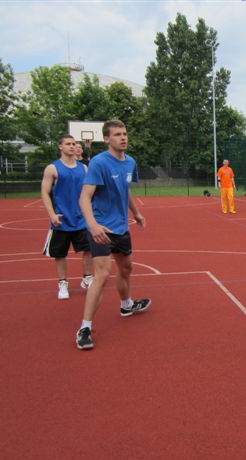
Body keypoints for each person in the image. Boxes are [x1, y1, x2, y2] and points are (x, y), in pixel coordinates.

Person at [76, 120, 151, 350]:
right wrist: (93, 225)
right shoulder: (99, 163)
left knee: (126, 267)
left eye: (125, 133)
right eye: (117, 134)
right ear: (107, 139)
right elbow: (84, 197)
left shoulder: (130, 162)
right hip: (102, 229)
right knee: (102, 274)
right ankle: (85, 327)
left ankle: (126, 304)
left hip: (121, 228)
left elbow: (125, 189)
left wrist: (136, 213)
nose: (123, 137)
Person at [40, 134, 93, 299]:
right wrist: (51, 214)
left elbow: (88, 192)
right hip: (61, 219)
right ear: (60, 146)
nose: (72, 146)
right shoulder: (52, 168)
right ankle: (63, 283)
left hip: (81, 218)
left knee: (90, 248)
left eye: (74, 144)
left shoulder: (83, 168)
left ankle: (87, 277)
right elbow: (44, 192)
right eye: (68, 144)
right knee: (60, 254)